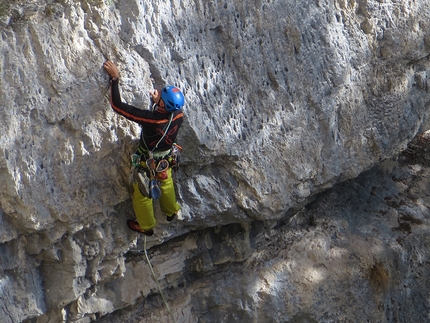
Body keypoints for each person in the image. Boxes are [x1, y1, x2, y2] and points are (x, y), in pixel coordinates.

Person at [103, 60, 184, 236]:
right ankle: (171, 211)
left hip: (148, 162)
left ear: (162, 105)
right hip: (166, 160)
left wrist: (115, 78)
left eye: (161, 97)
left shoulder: (152, 119)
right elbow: (165, 115)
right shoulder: (179, 114)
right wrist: (158, 103)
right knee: (166, 182)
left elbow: (118, 106)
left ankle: (146, 226)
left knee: (142, 192)